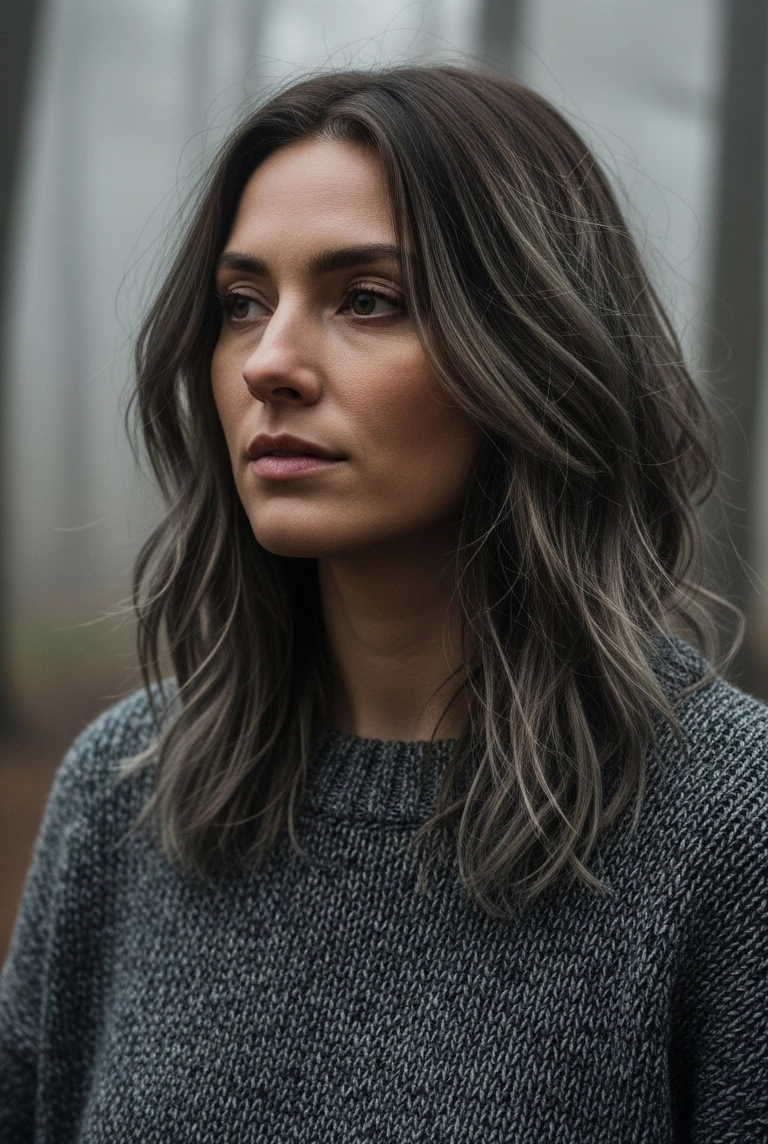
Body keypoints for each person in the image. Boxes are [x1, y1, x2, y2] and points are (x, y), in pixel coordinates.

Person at [0, 66, 766, 1143]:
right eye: (241, 304)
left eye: (366, 298)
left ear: (537, 349)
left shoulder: (728, 827)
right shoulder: (125, 794)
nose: (270, 362)